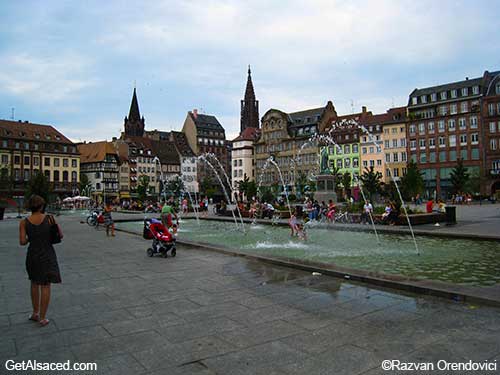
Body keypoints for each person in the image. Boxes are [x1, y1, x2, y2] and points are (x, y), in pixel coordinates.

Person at [19, 195, 62, 327]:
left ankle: (35, 313)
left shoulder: (24, 222)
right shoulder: (50, 219)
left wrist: (31, 237)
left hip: (33, 255)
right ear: (42, 206)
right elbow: (60, 235)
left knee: (34, 283)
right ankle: (43, 318)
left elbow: (22, 242)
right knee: (45, 285)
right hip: (47, 254)